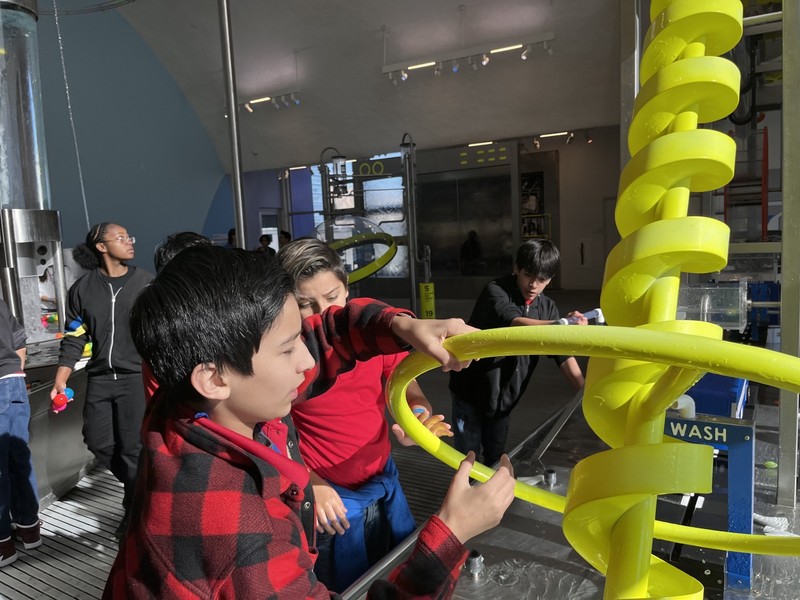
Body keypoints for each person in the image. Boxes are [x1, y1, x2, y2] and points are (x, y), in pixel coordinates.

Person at [104, 246, 515, 599]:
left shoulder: (186, 405)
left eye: (300, 337)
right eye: (287, 349)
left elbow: (330, 334)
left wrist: (402, 325)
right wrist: (453, 533)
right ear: (214, 378)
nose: (306, 362)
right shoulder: (239, 534)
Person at [279, 238, 453, 591]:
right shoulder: (290, 358)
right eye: (306, 305)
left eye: (332, 297)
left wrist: (415, 416)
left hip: (383, 477)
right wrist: (310, 481)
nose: (324, 312)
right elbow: (270, 430)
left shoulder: (372, 334)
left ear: (348, 289)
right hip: (332, 500)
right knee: (346, 585)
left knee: (394, 572)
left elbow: (403, 384)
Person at [50, 223, 154, 538]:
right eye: (121, 238)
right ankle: (141, 488)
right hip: (99, 378)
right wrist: (61, 377)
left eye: (129, 236)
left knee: (132, 449)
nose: (130, 242)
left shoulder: (146, 284)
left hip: (134, 378)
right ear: (101, 246)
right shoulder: (82, 289)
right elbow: (74, 337)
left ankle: (133, 512)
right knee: (97, 441)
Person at [448, 239, 586, 467]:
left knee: (496, 457)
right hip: (470, 393)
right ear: (516, 268)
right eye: (528, 275)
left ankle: (490, 499)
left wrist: (584, 392)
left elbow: (562, 354)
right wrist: (563, 324)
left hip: (504, 401)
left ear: (550, 280)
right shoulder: (496, 291)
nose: (533, 284)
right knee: (467, 460)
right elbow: (516, 323)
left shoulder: (547, 308)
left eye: (542, 280)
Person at [0, 299, 42, 567]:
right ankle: (29, 528)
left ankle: (3, 544)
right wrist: (16, 372)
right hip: (14, 381)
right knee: (18, 458)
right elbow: (19, 341)